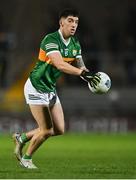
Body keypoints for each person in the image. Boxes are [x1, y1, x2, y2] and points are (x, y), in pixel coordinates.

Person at [13, 9, 101, 169]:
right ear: (61, 23)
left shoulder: (75, 44)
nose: (74, 25)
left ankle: (22, 138)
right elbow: (60, 64)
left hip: (50, 88)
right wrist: (81, 73)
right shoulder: (51, 39)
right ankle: (26, 159)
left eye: (76, 22)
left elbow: (82, 68)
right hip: (36, 87)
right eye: (70, 21)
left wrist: (92, 78)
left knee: (59, 129)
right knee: (46, 130)